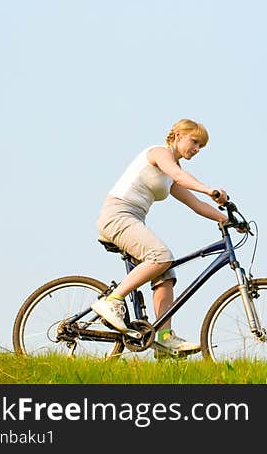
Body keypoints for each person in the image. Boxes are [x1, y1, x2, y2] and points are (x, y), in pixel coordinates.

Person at [91, 118, 228, 356]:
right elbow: (180, 175)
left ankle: (164, 338)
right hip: (117, 215)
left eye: (200, 147)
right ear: (177, 135)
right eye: (194, 142)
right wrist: (209, 188)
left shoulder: (171, 175)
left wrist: (225, 219)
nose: (196, 150)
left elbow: (194, 204)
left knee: (166, 273)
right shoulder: (158, 153)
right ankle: (112, 300)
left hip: (133, 219)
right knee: (161, 256)